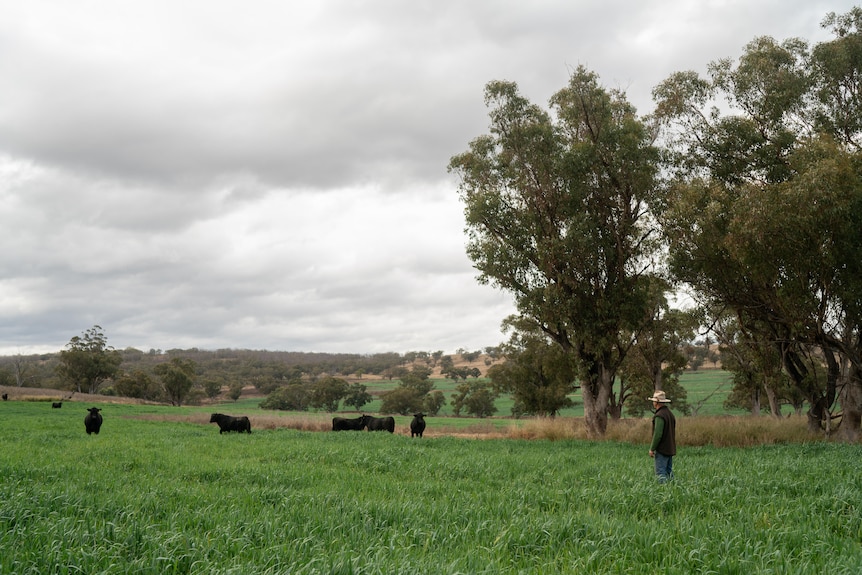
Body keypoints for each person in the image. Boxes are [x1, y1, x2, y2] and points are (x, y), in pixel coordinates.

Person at [648, 390, 676, 483]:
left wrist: (652, 448)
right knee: (669, 473)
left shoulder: (660, 416)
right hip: (670, 448)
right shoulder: (670, 414)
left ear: (656, 402)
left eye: (653, 401)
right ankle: (672, 492)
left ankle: (663, 495)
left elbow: (658, 434)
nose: (653, 402)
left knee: (661, 474)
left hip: (662, 449)